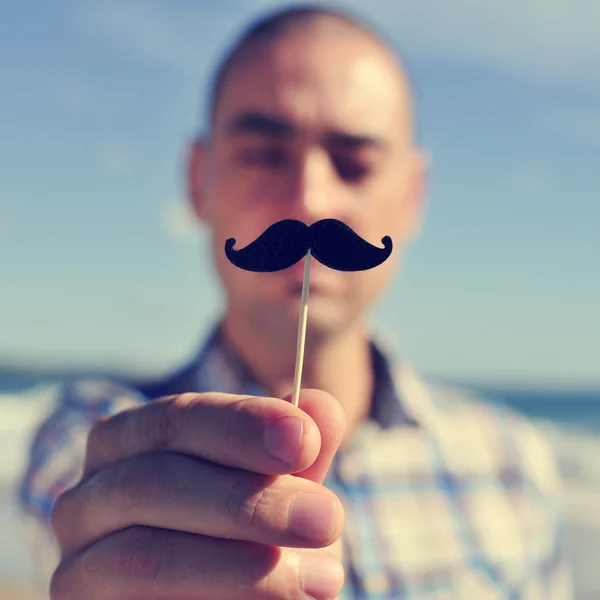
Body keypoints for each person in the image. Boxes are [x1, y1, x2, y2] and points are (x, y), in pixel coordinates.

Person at [18, 5, 573, 599]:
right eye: (264, 155)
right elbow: (68, 514)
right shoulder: (95, 433)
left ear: (412, 196)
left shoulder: (512, 463)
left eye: (354, 164)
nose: (309, 201)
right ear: (197, 179)